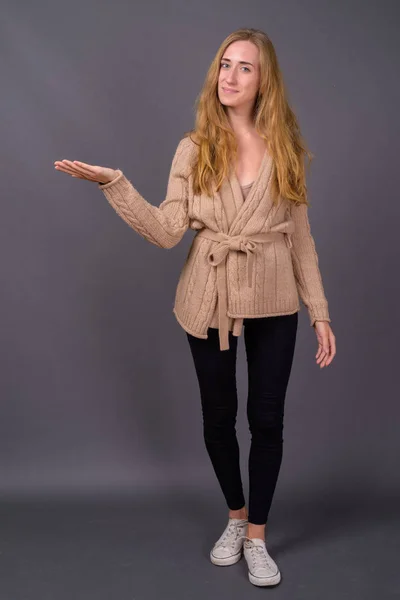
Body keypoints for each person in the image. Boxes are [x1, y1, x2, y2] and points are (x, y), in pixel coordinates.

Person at [54, 27, 336, 587]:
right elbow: (165, 232)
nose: (229, 76)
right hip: (207, 298)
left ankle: (257, 535)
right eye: (224, 65)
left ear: (265, 81)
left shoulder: (287, 150)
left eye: (245, 68)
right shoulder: (195, 147)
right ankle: (234, 517)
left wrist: (320, 311)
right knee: (217, 418)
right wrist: (117, 185)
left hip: (275, 297)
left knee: (268, 420)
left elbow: (300, 237)